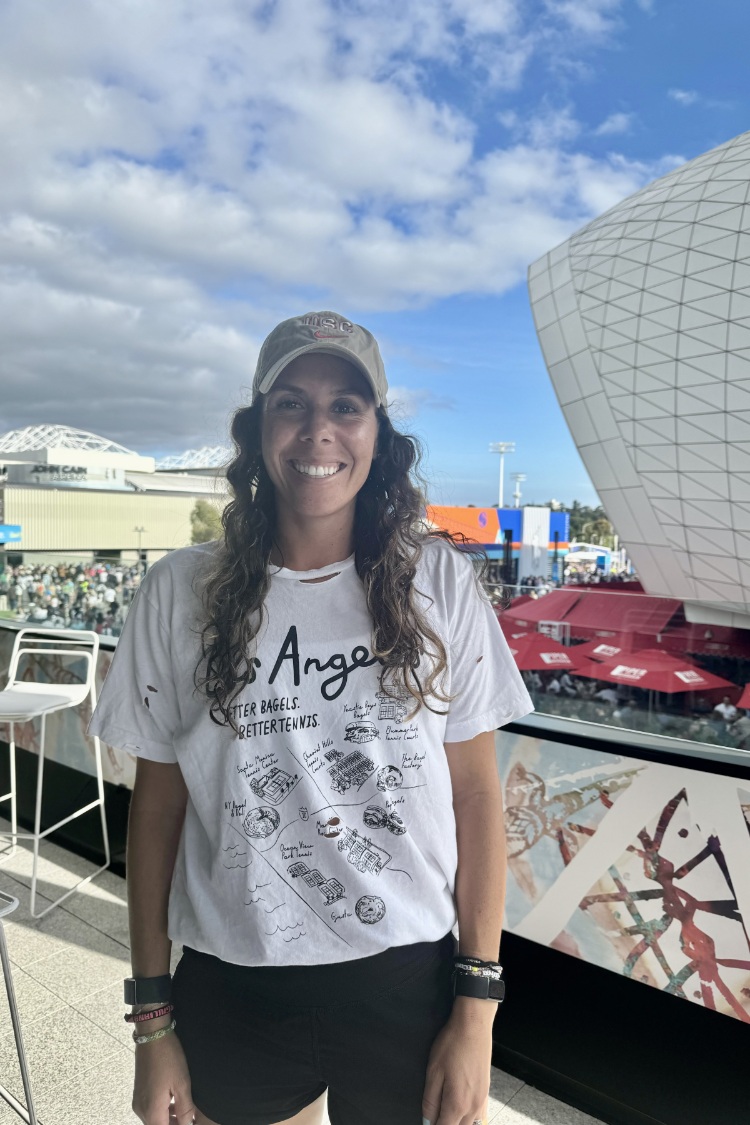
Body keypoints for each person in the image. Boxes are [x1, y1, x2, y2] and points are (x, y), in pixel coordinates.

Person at [90, 312, 533, 1125]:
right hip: (235, 984)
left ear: (379, 432)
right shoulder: (180, 592)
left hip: (409, 981)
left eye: (346, 406)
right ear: (257, 427)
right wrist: (153, 1023)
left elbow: (476, 799)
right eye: (291, 403)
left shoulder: (440, 582)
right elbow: (157, 811)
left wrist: (478, 1010)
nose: (318, 430)